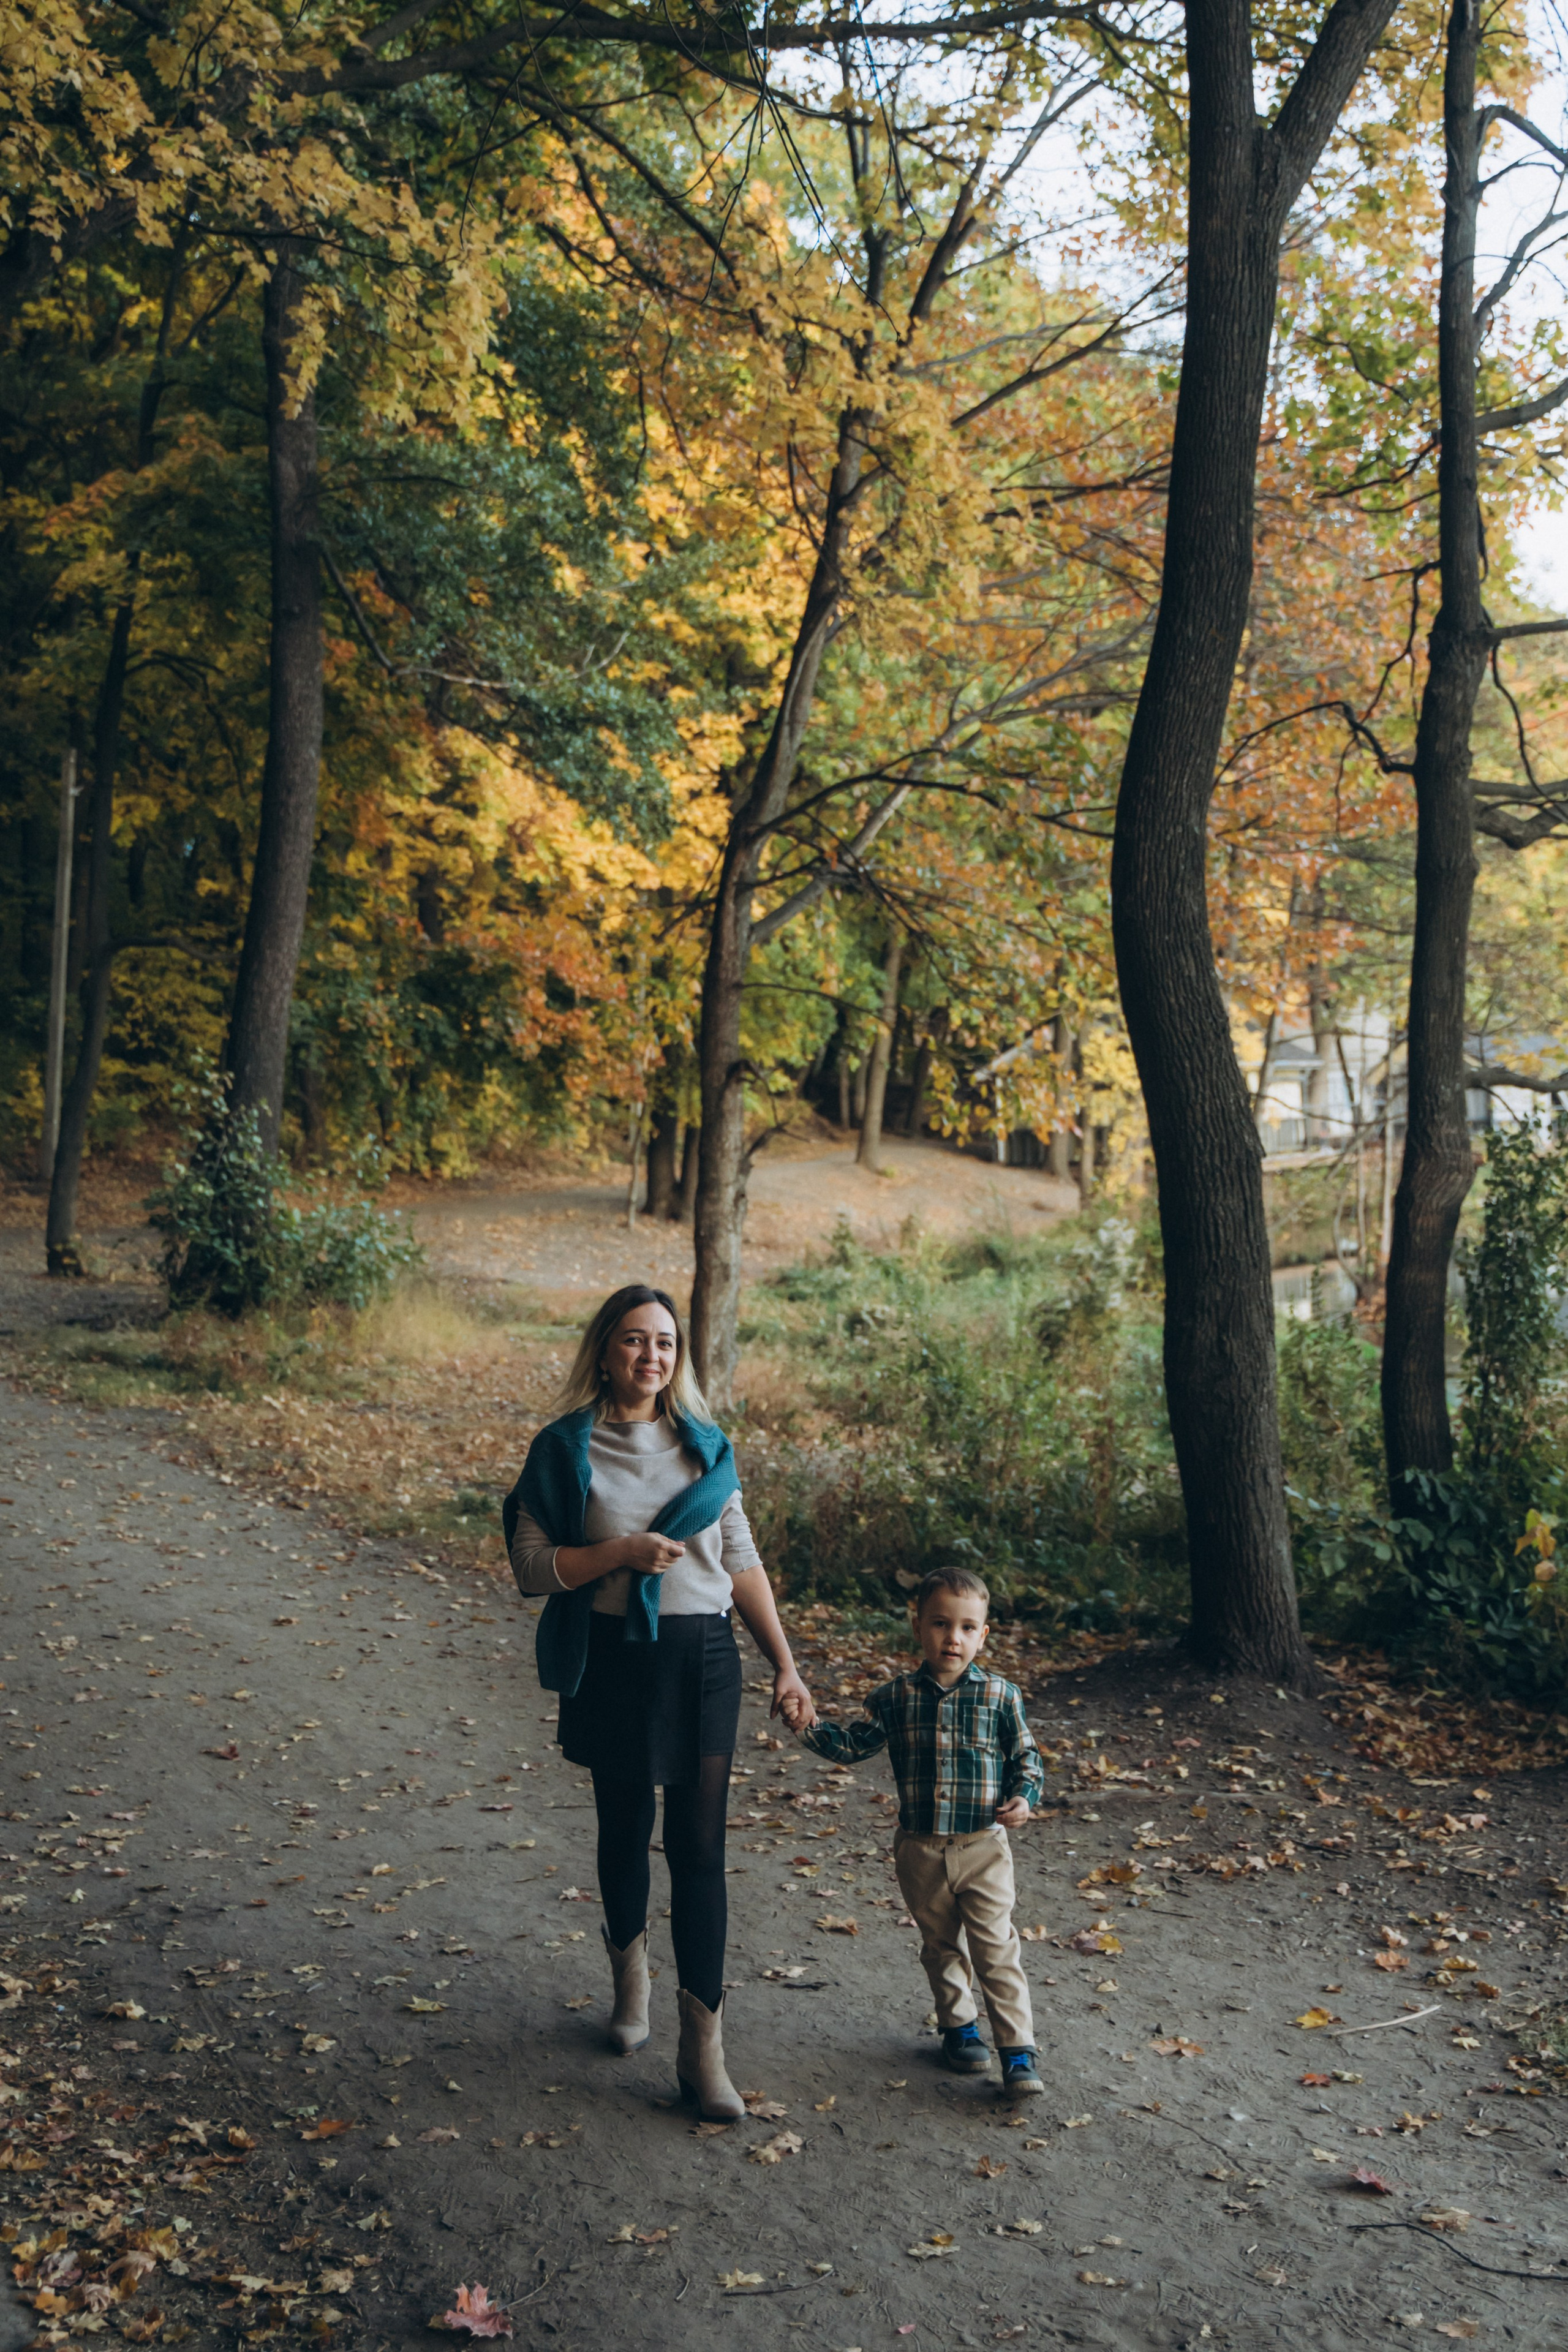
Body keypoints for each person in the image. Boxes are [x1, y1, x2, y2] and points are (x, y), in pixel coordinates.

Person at [504, 1283, 816, 2119]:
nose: (652, 1356)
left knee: (701, 1850)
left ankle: (702, 2049)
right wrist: (617, 1553)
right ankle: (630, 1983)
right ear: (605, 1350)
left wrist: (784, 1664)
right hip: (613, 1658)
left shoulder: (707, 1448)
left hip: (704, 1658)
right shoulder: (565, 1450)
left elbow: (740, 1559)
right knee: (622, 1827)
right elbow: (532, 1568)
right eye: (636, 1341)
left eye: (667, 1343)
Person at [798, 1564, 1046, 2097]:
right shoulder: (895, 1697)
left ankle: (1018, 2051)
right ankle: (959, 2030)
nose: (951, 1638)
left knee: (996, 1947)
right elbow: (852, 1745)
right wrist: (807, 1725)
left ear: (983, 1635)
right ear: (918, 1627)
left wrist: (1025, 1796)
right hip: (921, 1851)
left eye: (965, 1627)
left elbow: (1027, 1756)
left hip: (983, 1847)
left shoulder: (1001, 1697)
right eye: (939, 1624)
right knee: (941, 1945)